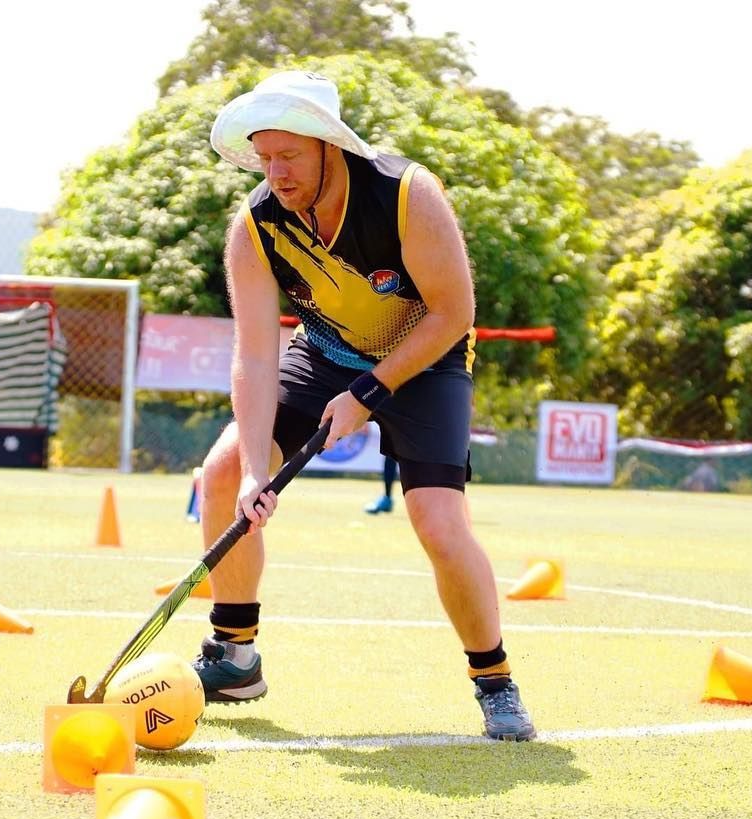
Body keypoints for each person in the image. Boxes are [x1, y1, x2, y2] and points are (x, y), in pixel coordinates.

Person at [192, 71, 535, 741]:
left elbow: (453, 313)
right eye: (264, 157)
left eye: (288, 155)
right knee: (225, 471)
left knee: (437, 522)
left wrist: (368, 394)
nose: (275, 172)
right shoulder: (256, 226)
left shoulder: (407, 194)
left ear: (329, 146)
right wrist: (259, 472)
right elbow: (256, 356)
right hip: (323, 355)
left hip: (427, 358)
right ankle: (234, 656)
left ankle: (493, 679)